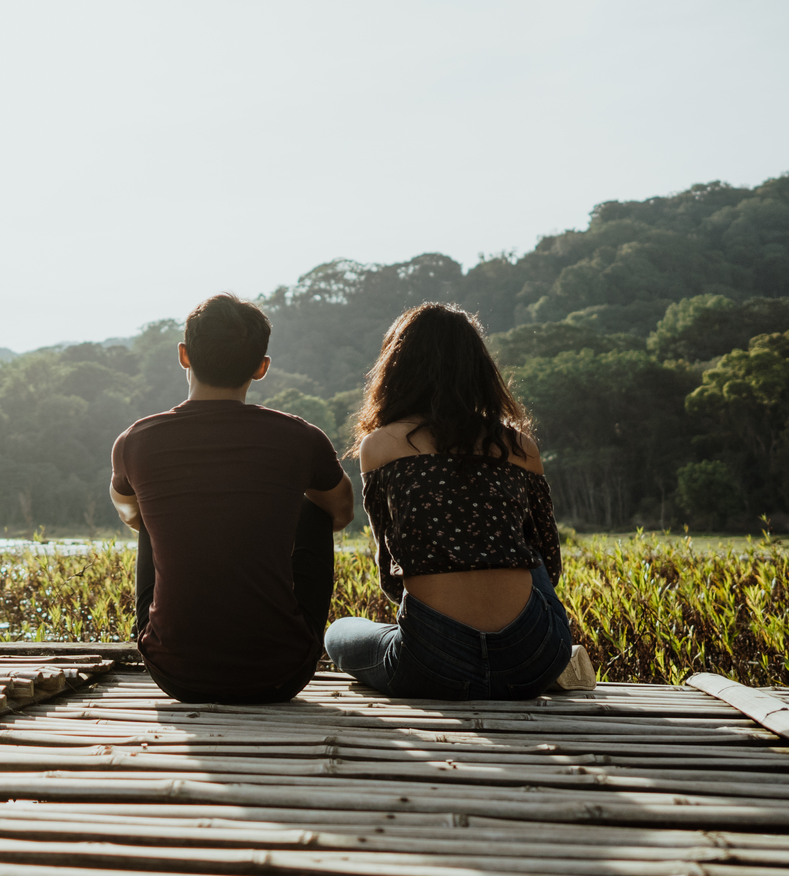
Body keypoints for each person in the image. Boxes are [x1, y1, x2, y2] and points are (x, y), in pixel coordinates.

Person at [323, 302, 592, 698]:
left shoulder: (381, 446)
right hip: (532, 659)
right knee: (525, 548)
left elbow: (391, 574)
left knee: (340, 632)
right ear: (479, 370)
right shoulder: (519, 446)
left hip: (433, 664)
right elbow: (548, 565)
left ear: (395, 368)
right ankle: (557, 659)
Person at [109, 293, 354, 704]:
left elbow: (128, 513)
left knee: (153, 513)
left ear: (184, 355)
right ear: (261, 368)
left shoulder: (136, 440)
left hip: (174, 673)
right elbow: (342, 512)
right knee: (315, 508)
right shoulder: (301, 438)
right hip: (281, 673)